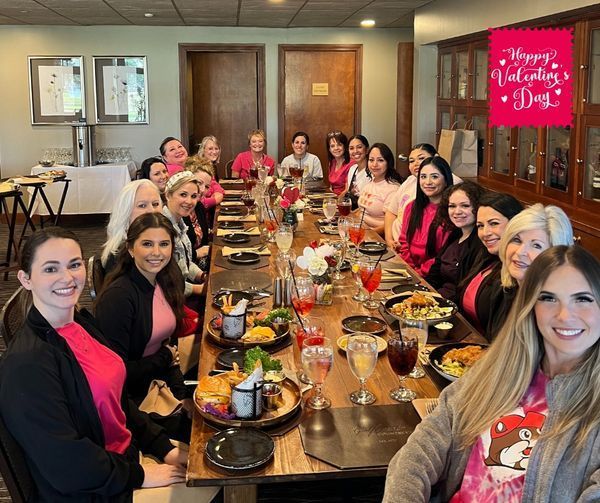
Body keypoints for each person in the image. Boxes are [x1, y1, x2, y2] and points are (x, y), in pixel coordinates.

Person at [384, 245, 600, 503]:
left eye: (583, 299)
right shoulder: (497, 369)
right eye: (548, 298)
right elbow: (421, 450)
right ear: (530, 307)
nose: (565, 316)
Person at [0, 227, 202, 501]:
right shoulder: (26, 364)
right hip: (93, 490)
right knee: (214, 485)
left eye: (74, 264)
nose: (67, 278)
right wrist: (139, 475)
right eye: (50, 269)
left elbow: (117, 401)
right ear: (25, 279)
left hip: (123, 460)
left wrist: (161, 445)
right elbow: (65, 464)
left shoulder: (81, 323)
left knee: (210, 464)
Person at [95, 214, 192, 441]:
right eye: (147, 244)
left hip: (161, 382)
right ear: (130, 249)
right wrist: (164, 359)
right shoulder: (118, 298)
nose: (156, 253)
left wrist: (181, 395)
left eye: (164, 244)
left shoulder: (166, 278)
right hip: (134, 402)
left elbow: (170, 347)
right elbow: (116, 376)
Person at [486, 203, 574, 337]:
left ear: (556, 256)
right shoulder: (504, 290)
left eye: (536, 245)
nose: (521, 252)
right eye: (516, 240)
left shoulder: (555, 311)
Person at [458, 192, 523, 337]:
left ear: (515, 224)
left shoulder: (516, 272)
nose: (485, 233)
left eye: (494, 223)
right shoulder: (486, 257)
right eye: (480, 226)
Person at [384, 143, 463, 249]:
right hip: (400, 247)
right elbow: (391, 212)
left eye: (421, 158)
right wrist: (389, 241)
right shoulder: (411, 181)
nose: (416, 164)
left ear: (436, 158)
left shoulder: (453, 184)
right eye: (411, 161)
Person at [425, 181, 486, 301]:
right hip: (434, 298)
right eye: (452, 206)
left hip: (452, 307)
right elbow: (434, 273)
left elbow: (464, 290)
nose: (457, 212)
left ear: (478, 207)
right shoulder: (456, 233)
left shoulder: (480, 243)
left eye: (465, 206)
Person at [397, 156, 454, 275]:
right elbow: (404, 241)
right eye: (423, 177)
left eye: (434, 176)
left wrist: (419, 273)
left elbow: (443, 255)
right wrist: (410, 269)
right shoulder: (412, 207)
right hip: (408, 271)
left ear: (446, 180)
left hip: (433, 275)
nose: (428, 182)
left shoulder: (452, 211)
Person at [101, 180, 163, 272]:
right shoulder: (119, 255)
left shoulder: (161, 239)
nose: (151, 211)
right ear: (126, 211)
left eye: (155, 204)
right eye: (142, 205)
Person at [161, 171, 205, 297]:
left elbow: (184, 263)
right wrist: (199, 289)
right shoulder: (162, 229)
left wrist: (202, 276)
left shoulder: (179, 222)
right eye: (183, 195)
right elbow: (165, 281)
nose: (189, 201)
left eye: (193, 196)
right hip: (171, 299)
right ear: (168, 195)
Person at [356, 143, 402, 235]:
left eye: (380, 160)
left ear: (388, 163)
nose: (374, 164)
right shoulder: (370, 183)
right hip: (360, 230)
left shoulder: (393, 189)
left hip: (377, 237)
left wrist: (367, 233)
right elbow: (361, 210)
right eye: (371, 160)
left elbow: (391, 223)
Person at [339, 134, 371, 209]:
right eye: (351, 148)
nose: (355, 151)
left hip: (364, 213)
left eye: (359, 147)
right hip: (351, 211)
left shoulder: (372, 172)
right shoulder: (352, 169)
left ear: (367, 150)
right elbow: (346, 191)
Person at [326, 130, 353, 195]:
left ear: (345, 146)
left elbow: (348, 190)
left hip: (345, 200)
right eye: (332, 146)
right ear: (329, 149)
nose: (336, 148)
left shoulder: (351, 164)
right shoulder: (332, 162)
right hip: (333, 197)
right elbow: (331, 187)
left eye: (339, 145)